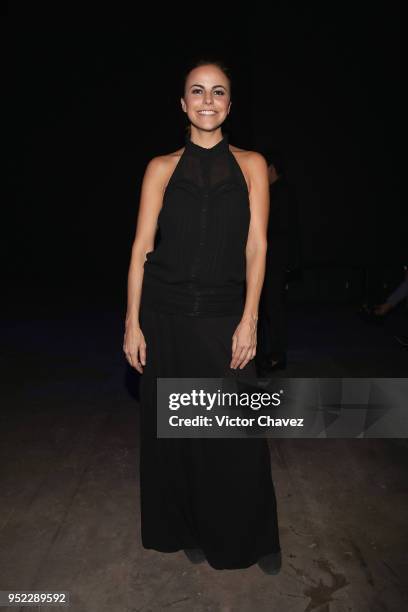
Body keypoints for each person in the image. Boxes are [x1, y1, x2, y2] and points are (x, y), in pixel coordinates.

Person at [123, 59, 282, 573]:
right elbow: (142, 248)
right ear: (183, 103)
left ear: (229, 105)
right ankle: (186, 527)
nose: (207, 100)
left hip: (222, 314)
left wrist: (250, 317)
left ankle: (254, 539)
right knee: (180, 433)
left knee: (235, 433)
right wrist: (132, 322)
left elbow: (257, 246)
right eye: (197, 91)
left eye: (218, 92)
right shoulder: (160, 168)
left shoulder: (253, 164)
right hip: (165, 315)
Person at [256, 149, 301, 375]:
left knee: (273, 308)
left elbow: (282, 230)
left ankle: (276, 355)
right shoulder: (275, 192)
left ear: (272, 168)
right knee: (267, 307)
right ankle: (267, 354)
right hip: (272, 260)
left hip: (275, 261)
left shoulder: (279, 193)